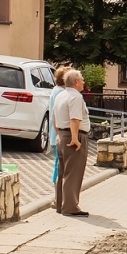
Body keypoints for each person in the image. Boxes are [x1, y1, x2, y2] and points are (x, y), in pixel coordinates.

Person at [53, 69, 91, 217]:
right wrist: (75, 139)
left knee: (63, 171)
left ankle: (60, 204)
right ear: (76, 82)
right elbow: (75, 119)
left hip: (62, 135)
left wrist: (59, 135)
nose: (83, 82)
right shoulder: (75, 97)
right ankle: (70, 206)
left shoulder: (60, 95)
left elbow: (55, 118)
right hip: (73, 136)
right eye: (81, 79)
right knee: (73, 173)